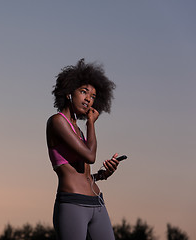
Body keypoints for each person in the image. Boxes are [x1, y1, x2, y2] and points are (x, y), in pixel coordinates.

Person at [46, 59, 119, 240]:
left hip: (97, 202)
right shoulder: (57, 121)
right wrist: (91, 123)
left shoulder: (77, 129)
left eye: (93, 96)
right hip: (73, 204)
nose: (88, 99)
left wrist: (101, 175)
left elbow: (83, 172)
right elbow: (90, 156)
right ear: (70, 93)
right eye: (84, 92)